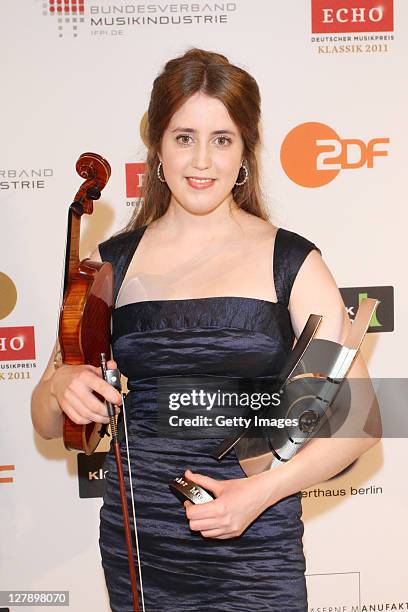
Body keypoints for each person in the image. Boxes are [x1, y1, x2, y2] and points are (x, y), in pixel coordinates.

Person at [31, 48, 381, 611]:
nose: (202, 160)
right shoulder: (107, 266)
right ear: (158, 148)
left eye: (222, 139)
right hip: (140, 542)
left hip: (257, 541)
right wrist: (58, 386)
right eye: (183, 136)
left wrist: (258, 494)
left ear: (245, 152)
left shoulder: (292, 261)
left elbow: (361, 423)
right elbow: (47, 422)